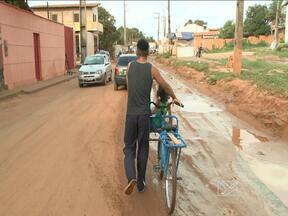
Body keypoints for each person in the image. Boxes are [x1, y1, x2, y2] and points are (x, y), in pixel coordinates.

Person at [123, 39, 182, 195]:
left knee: (129, 148)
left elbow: (130, 89)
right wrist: (174, 96)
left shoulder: (129, 66)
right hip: (143, 116)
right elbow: (165, 85)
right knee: (143, 148)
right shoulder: (152, 70)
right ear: (148, 52)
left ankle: (131, 178)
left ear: (137, 51)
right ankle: (141, 183)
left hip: (130, 115)